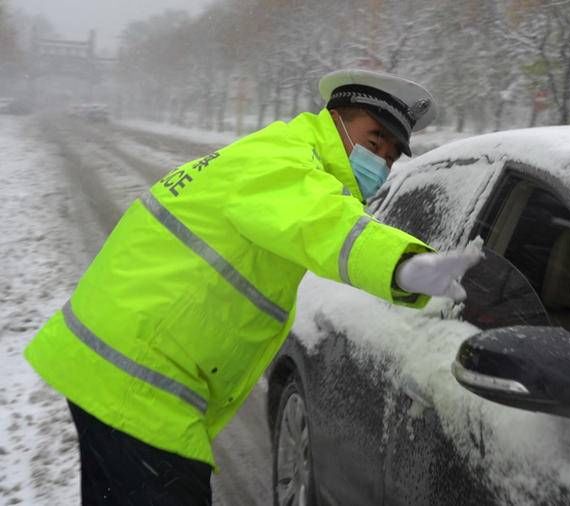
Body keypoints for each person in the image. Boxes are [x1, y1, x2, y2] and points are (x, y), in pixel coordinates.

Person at [24, 68, 481, 505]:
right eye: (373, 140)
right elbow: (322, 225)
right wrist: (404, 265)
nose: (380, 161)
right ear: (336, 121)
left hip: (114, 367)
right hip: (139, 382)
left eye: (389, 155)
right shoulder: (283, 161)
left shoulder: (285, 154)